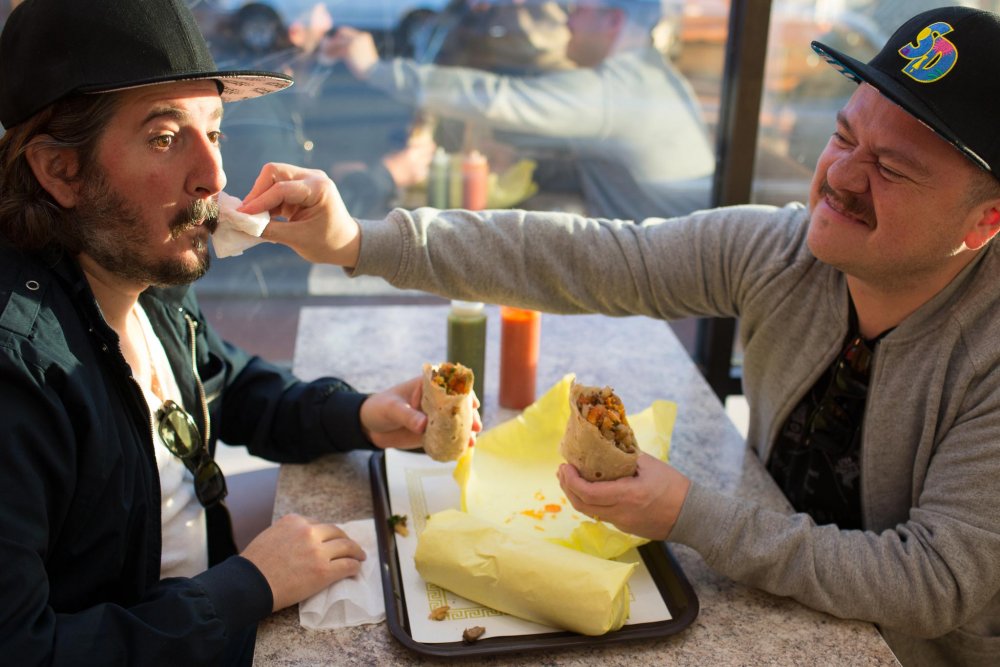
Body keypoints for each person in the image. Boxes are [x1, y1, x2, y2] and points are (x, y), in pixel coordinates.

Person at [250, 6, 1000, 665]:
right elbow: (587, 255)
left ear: (985, 221)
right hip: (773, 606)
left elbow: (934, 583)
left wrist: (688, 514)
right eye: (843, 136)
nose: (840, 176)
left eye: (893, 170)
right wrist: (358, 241)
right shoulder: (781, 252)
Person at [0, 1, 477, 665]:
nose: (215, 177)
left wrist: (361, 413)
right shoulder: (19, 376)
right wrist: (247, 584)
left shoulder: (135, 271)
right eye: (165, 137)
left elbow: (231, 382)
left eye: (215, 131)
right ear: (61, 172)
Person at [322, 0, 715, 222]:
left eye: (580, 9)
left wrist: (377, 69)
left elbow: (496, 97)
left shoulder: (615, 92)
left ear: (612, 20)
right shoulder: (650, 74)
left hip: (667, 285)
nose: (568, 20)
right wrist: (530, 163)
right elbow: (611, 171)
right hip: (668, 249)